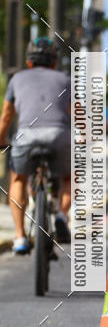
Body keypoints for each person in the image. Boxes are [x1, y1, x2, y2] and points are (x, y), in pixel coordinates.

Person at [0, 37, 71, 254]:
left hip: (26, 136)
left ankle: (20, 236)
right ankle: (61, 215)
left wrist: (1, 139)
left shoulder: (16, 79)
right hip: (59, 136)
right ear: (54, 62)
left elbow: (6, 116)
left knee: (18, 178)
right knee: (71, 175)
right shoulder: (66, 80)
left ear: (29, 62)